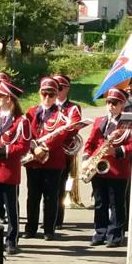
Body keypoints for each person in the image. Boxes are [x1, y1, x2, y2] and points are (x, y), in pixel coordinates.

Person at [24, 77, 74, 240]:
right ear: (40, 93)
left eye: (51, 94)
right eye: (44, 93)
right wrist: (34, 148)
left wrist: (44, 148)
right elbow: (26, 133)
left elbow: (61, 134)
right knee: (33, 196)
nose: (47, 97)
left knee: (51, 197)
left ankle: (49, 229)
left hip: (53, 161)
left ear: (56, 95)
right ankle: (30, 228)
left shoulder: (61, 115)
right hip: (33, 160)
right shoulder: (31, 112)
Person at [0, 80, 30, 254]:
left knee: (11, 208)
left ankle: (12, 240)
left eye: (0, 96)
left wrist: (4, 150)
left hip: (8, 171)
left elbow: (23, 146)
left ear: (9, 99)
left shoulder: (21, 121)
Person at [83, 88, 132, 247]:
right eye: (109, 102)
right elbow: (90, 143)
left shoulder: (128, 123)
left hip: (118, 170)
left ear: (122, 104)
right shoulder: (99, 121)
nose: (111, 106)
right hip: (98, 169)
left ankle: (116, 236)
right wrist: (86, 159)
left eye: (115, 103)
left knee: (117, 204)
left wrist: (117, 150)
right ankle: (100, 232)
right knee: (100, 203)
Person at [52, 74, 84, 230]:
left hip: (63, 153)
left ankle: (57, 219)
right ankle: (46, 219)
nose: (56, 91)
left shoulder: (73, 108)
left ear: (67, 89)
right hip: (48, 152)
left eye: (60, 88)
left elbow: (74, 127)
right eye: (54, 87)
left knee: (59, 186)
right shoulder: (48, 105)